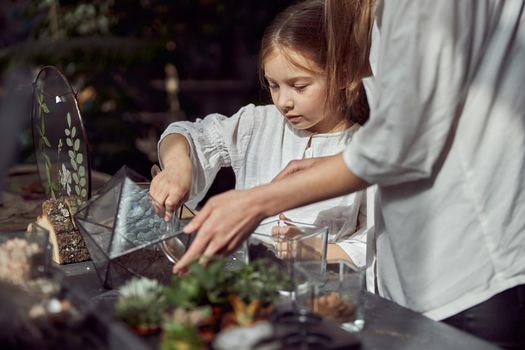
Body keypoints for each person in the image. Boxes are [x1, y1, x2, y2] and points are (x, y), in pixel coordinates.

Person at [174, 0, 525, 348]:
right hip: (434, 278)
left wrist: (256, 203)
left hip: (466, 276)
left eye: (300, 85)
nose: (284, 100)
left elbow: (402, 140)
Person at [149, 0, 375, 266]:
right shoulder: (257, 123)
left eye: (299, 86)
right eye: (273, 86)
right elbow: (187, 134)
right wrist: (177, 167)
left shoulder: (366, 148)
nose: (283, 102)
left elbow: (371, 244)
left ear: (344, 75)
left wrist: (316, 249)